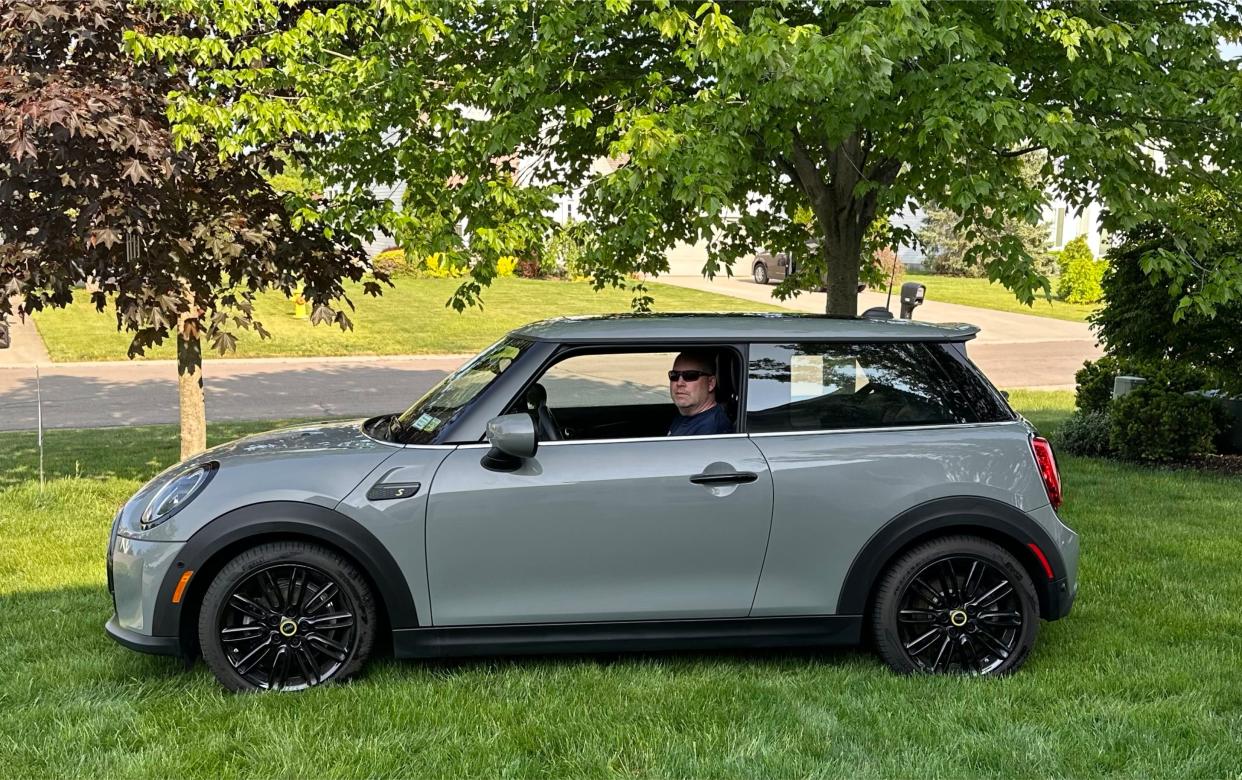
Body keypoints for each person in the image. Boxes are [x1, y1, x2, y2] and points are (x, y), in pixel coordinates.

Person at [667, 351, 733, 436]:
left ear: (710, 383)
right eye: (674, 375)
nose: (679, 383)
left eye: (690, 375)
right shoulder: (685, 415)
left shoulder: (711, 432)